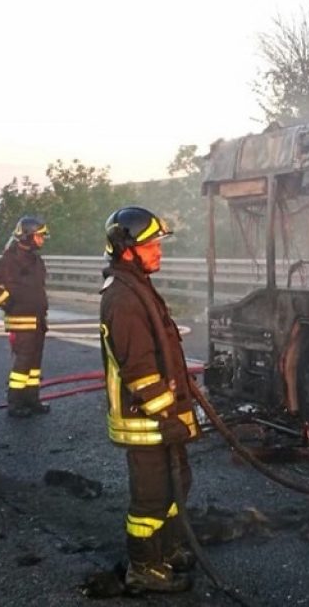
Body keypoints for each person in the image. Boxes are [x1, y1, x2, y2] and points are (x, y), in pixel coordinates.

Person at [99, 206, 200, 594]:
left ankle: (167, 550)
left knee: (178, 484)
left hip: (161, 415)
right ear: (127, 250)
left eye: (158, 243)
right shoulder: (123, 299)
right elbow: (139, 369)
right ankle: (143, 566)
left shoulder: (137, 286)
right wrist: (167, 414)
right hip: (146, 421)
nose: (159, 251)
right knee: (151, 497)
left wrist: (184, 398)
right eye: (151, 244)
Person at [0, 216, 50, 418]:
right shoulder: (10, 260)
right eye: (39, 236)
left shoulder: (35, 260)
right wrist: (5, 301)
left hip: (37, 321)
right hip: (21, 321)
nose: (42, 239)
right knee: (23, 364)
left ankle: (32, 400)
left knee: (34, 365)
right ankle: (15, 403)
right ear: (27, 236)